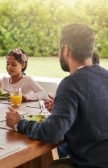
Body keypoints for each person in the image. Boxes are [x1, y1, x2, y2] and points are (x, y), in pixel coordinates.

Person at [6, 24, 108, 167]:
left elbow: (52, 133)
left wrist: (18, 123)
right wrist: (60, 109)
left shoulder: (70, 84)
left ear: (66, 50)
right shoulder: (105, 76)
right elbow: (94, 117)